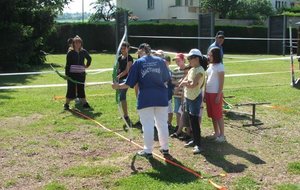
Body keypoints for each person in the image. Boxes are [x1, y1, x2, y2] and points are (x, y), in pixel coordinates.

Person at [112, 43, 171, 158]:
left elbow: (129, 83)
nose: (137, 53)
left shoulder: (139, 63)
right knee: (162, 124)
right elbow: (166, 78)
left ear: (142, 50)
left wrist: (117, 86)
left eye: (139, 51)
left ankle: (148, 150)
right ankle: (165, 148)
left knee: (148, 124)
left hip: (146, 99)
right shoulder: (160, 61)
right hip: (161, 97)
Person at [179, 49, 205, 154]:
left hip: (195, 98)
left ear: (197, 59)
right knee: (191, 120)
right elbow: (185, 80)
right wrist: (186, 82)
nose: (188, 60)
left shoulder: (200, 70)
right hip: (188, 97)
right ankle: (194, 140)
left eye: (190, 58)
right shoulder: (192, 69)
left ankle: (198, 144)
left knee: (194, 121)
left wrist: (185, 83)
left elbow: (193, 84)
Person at [64, 35, 92, 110]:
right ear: (73, 43)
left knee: (81, 88)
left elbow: (89, 58)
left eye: (79, 42)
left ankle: (84, 103)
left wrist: (87, 65)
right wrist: (67, 75)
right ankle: (66, 104)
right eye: (76, 43)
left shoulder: (83, 51)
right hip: (72, 74)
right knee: (71, 88)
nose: (78, 44)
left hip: (81, 74)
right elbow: (67, 65)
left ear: (81, 43)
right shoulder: (70, 53)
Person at [205, 47, 226, 143]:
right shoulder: (210, 65)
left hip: (215, 93)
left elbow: (221, 82)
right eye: (208, 55)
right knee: (212, 114)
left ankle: (222, 135)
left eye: (210, 55)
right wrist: (205, 93)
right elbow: (207, 79)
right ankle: (216, 132)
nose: (208, 57)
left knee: (218, 115)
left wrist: (218, 95)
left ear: (215, 56)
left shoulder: (220, 66)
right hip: (208, 93)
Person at [170, 53, 189, 135]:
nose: (177, 62)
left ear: (183, 60)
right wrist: (178, 83)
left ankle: (186, 127)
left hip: (185, 96)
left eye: (179, 60)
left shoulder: (188, 70)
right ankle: (178, 126)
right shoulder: (175, 70)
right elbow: (172, 81)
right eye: (176, 61)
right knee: (177, 112)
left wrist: (181, 82)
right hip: (177, 95)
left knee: (185, 112)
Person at [117, 41, 133, 126]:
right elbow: (118, 68)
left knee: (122, 96)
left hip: (126, 80)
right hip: (119, 79)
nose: (122, 50)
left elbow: (127, 70)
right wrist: (115, 74)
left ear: (128, 49)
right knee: (120, 97)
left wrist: (119, 76)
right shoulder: (120, 57)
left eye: (124, 48)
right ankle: (124, 114)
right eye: (121, 49)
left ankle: (126, 116)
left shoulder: (129, 58)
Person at [164, 55, 174, 131]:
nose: (164, 63)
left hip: (168, 94)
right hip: (161, 94)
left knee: (169, 109)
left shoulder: (170, 72)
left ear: (169, 62)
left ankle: (169, 123)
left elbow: (170, 83)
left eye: (166, 61)